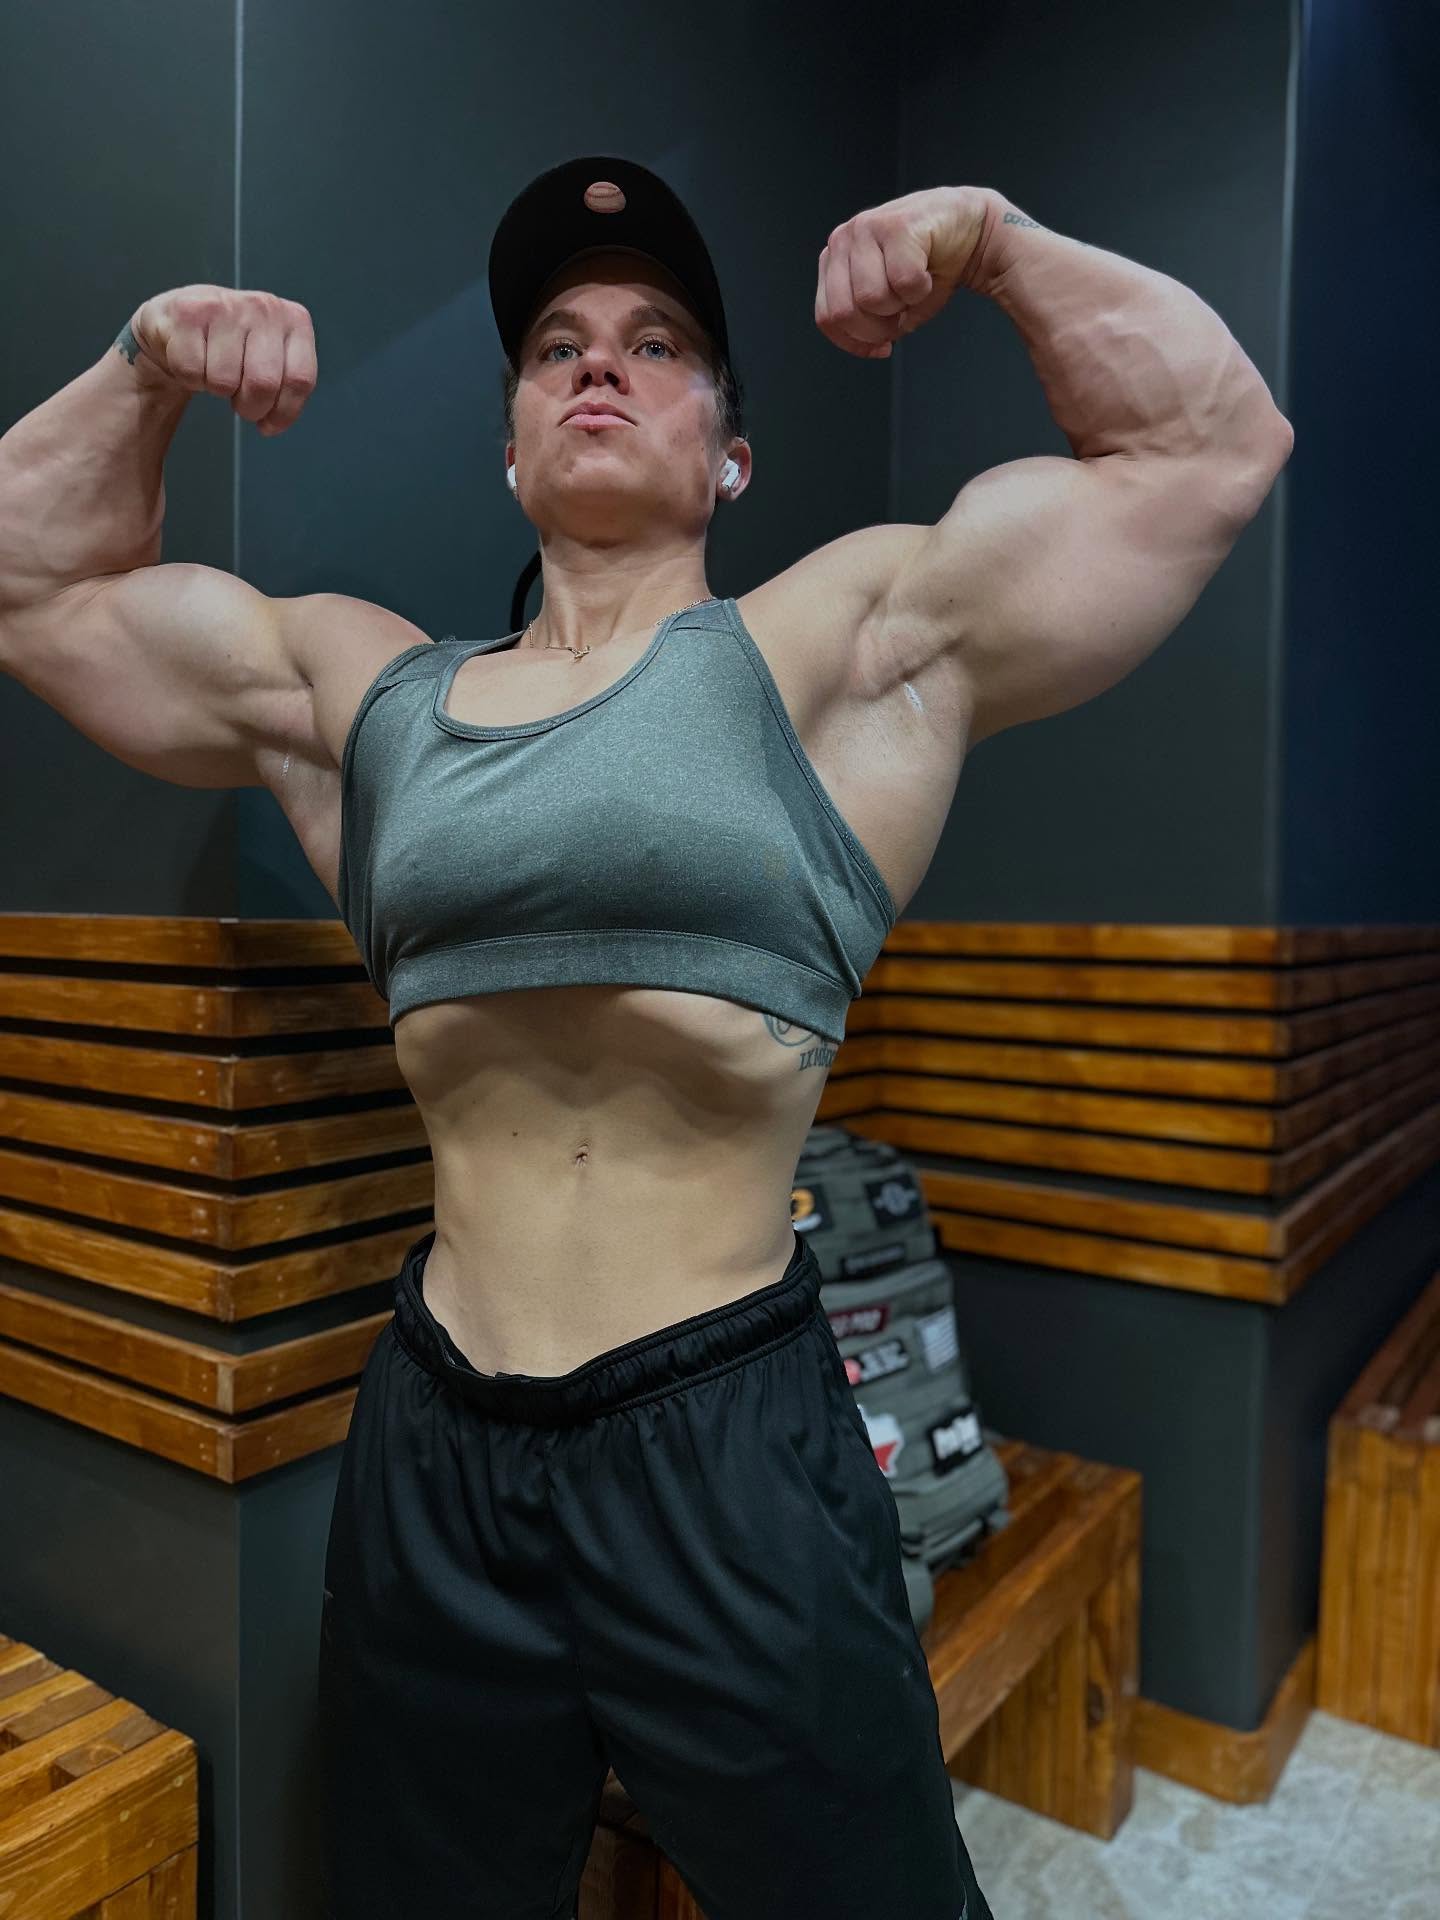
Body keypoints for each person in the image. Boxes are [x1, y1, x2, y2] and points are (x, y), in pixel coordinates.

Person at [0, 146, 1290, 1919]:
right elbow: (33, 585)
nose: (600, 361)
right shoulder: (367, 697)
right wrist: (146, 361)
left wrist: (996, 243)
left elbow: (1211, 447)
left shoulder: (839, 650)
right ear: (513, 443)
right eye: (557, 347)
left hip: (727, 1442)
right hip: (436, 1445)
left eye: (660, 342)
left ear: (728, 450)